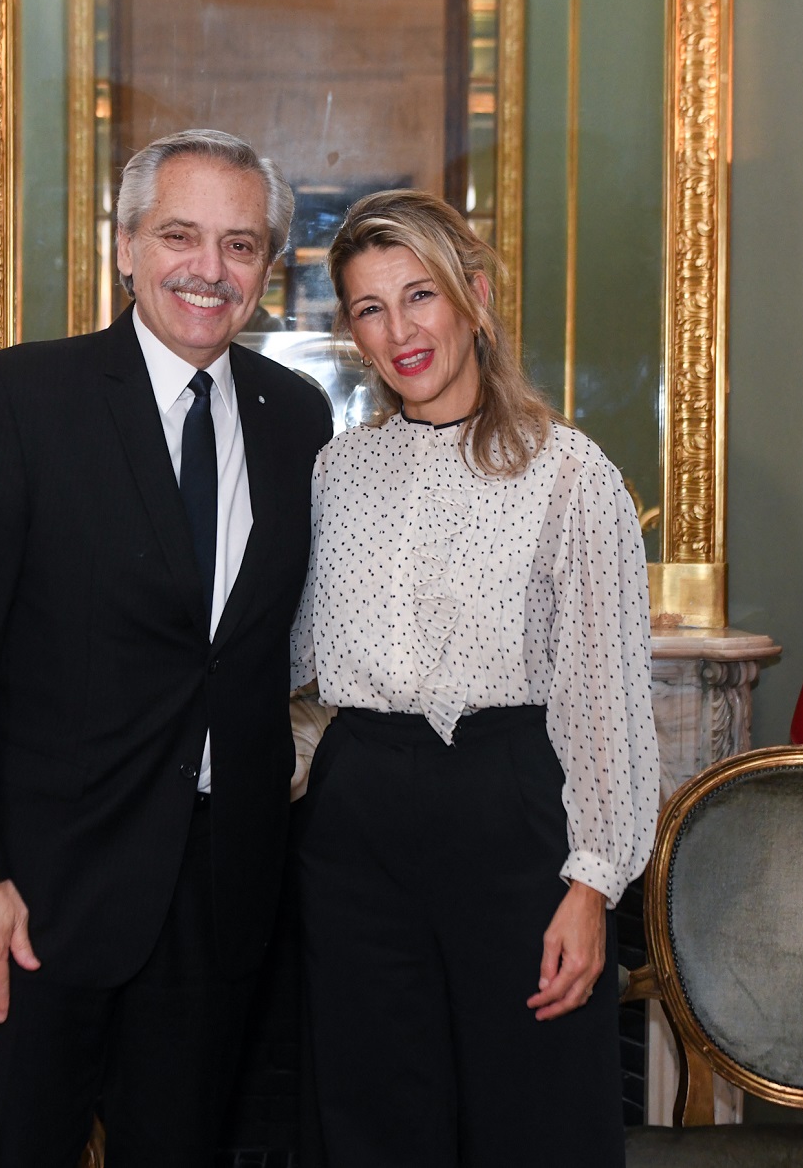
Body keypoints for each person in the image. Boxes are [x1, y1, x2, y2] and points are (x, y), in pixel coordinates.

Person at [0, 129, 333, 1167]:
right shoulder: (18, 400)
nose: (207, 268)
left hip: (221, 899)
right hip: (35, 899)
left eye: (238, 245)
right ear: (126, 244)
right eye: (179, 235)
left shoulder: (295, 420)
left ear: (265, 272)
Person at [291, 189, 660, 1166]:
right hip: (355, 815)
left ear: (474, 298)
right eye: (369, 308)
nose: (399, 330)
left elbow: (604, 696)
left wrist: (592, 886)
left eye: (419, 296)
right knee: (372, 1111)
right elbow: (290, 667)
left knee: (534, 1113)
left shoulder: (567, 473)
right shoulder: (334, 473)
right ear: (352, 336)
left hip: (510, 808)